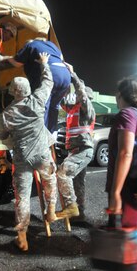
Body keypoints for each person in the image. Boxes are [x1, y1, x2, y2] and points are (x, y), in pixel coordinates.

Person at [0, 52, 58, 252]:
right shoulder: (37, 100)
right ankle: (50, 210)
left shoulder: (7, 113)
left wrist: (12, 141)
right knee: (50, 179)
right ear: (28, 89)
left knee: (22, 197)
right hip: (42, 153)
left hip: (22, 157)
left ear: (13, 91)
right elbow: (48, 82)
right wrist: (44, 64)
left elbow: (1, 135)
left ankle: (22, 237)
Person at [106, 77, 137, 271]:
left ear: (119, 95)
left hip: (129, 192)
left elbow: (125, 153)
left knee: (127, 251)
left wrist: (116, 192)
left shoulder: (126, 115)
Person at [55, 66, 95, 221]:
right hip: (76, 150)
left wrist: (73, 75)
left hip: (83, 150)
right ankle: (80, 213)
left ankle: (71, 207)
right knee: (78, 183)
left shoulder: (87, 109)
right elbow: (62, 98)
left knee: (62, 173)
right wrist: (62, 81)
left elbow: (82, 94)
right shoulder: (72, 109)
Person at [7, 37, 71, 133]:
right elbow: (61, 59)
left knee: (42, 105)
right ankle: (51, 133)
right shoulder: (52, 45)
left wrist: (6, 58)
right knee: (54, 107)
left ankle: (40, 134)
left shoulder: (30, 45)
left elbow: (17, 63)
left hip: (51, 74)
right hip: (66, 76)